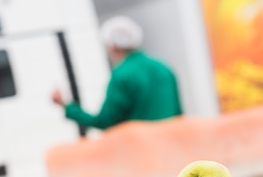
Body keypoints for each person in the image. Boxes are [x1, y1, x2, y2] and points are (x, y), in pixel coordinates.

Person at [52, 16, 182, 130]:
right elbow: (179, 115)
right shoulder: (164, 68)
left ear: (112, 46)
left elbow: (105, 122)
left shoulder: (122, 75)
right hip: (170, 150)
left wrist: (66, 106)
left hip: (142, 153)